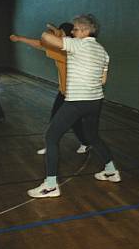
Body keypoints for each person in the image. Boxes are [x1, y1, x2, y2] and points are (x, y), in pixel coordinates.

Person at [27, 14, 120, 198]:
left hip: (77, 101)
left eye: (76, 29)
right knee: (93, 137)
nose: (73, 32)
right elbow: (103, 80)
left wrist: (55, 33)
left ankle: (51, 185)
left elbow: (45, 39)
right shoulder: (103, 52)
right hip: (95, 102)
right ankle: (111, 171)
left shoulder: (78, 44)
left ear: (85, 31)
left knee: (51, 137)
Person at [10, 22, 90, 155]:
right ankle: (86, 143)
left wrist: (20, 39)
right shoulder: (70, 45)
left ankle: (52, 146)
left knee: (57, 121)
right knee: (72, 121)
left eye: (60, 32)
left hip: (73, 94)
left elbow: (41, 44)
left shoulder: (66, 50)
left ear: (65, 34)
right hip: (65, 92)